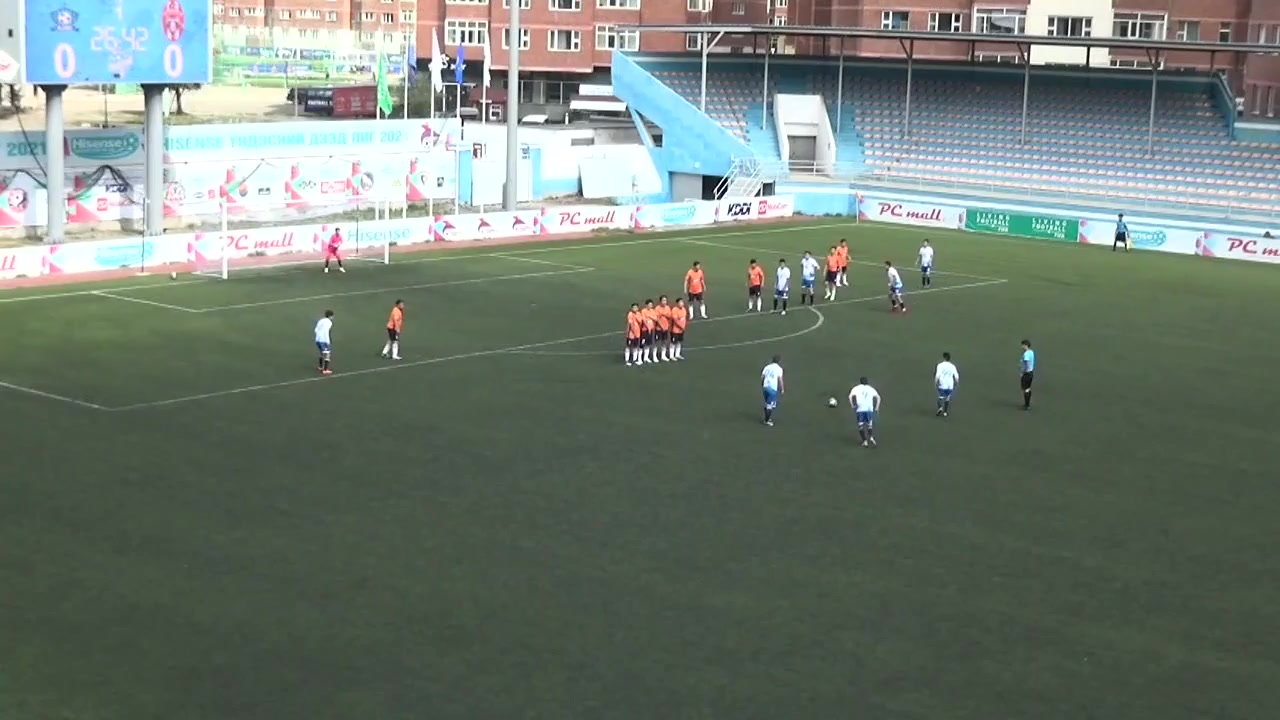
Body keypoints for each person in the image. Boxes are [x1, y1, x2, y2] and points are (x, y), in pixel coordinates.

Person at [848, 376, 881, 448]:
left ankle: (865, 441)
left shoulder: (856, 388)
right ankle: (871, 437)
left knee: (861, 425)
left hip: (860, 409)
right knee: (869, 424)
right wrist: (877, 408)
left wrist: (852, 405)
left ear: (860, 382)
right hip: (869, 409)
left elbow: (850, 396)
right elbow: (878, 397)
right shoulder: (871, 388)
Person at [761, 354, 784, 427]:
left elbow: (762, 377)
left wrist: (763, 385)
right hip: (772, 389)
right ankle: (766, 421)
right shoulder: (779, 369)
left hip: (765, 387)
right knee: (770, 405)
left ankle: (767, 418)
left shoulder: (767, 367)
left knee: (767, 404)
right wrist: (782, 389)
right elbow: (780, 379)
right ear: (779, 361)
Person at [934, 351, 959, 417]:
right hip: (950, 385)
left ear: (944, 357)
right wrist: (956, 382)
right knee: (947, 398)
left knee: (940, 397)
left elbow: (938, 375)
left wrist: (936, 382)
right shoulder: (953, 366)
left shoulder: (940, 365)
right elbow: (956, 376)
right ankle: (945, 413)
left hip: (942, 384)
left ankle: (940, 408)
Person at [314, 309, 335, 375]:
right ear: (330, 316)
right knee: (327, 354)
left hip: (317, 339)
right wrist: (327, 341)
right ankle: (325, 370)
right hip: (323, 340)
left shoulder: (321, 320)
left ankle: (320, 367)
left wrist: (318, 336)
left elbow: (316, 329)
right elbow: (326, 331)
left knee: (321, 353)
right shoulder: (329, 322)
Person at [655, 295, 673, 362]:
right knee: (657, 342)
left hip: (665, 328)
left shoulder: (668, 308)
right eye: (663, 300)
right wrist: (661, 326)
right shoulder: (657, 308)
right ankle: (655, 356)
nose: (664, 302)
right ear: (660, 301)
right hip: (659, 328)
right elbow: (657, 318)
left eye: (665, 300)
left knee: (664, 342)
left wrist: (663, 314)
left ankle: (663, 356)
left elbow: (669, 316)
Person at [639, 299, 658, 364]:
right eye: (649, 305)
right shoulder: (643, 311)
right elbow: (644, 320)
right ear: (646, 305)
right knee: (642, 344)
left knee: (648, 344)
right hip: (645, 330)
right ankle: (639, 359)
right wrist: (648, 327)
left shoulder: (653, 311)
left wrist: (649, 316)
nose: (651, 306)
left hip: (651, 330)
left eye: (651, 305)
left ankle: (646, 358)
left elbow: (656, 318)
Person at [1019, 339, 1036, 410]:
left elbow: (1026, 364)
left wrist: (1023, 372)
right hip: (1031, 373)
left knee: (1025, 389)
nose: (1022, 347)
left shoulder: (1026, 354)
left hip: (1027, 374)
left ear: (1026, 345)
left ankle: (1026, 405)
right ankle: (1027, 404)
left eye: (1023, 345)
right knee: (1028, 388)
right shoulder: (1031, 352)